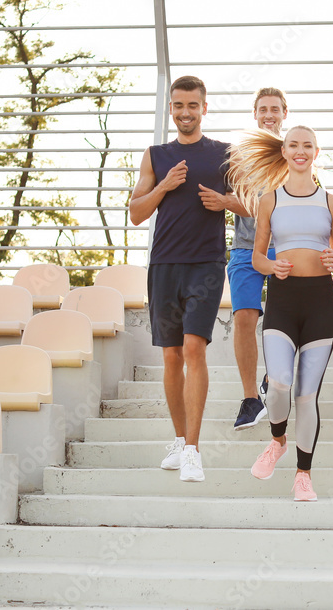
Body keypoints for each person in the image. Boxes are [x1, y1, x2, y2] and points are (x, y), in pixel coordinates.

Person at [128, 75, 249, 482]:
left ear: (204, 108)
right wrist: (163, 186)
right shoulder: (155, 155)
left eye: (192, 106)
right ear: (171, 109)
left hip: (206, 264)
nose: (185, 113)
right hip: (164, 264)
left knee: (194, 348)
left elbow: (254, 205)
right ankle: (179, 442)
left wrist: (226, 201)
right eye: (178, 106)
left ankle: (194, 450)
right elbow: (136, 212)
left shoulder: (224, 154)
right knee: (171, 355)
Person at [228, 125, 333, 501]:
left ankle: (303, 475)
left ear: (316, 151)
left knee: (307, 395)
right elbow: (258, 256)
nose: (300, 151)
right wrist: (269, 267)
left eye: (307, 145)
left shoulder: (332, 202)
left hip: (320, 303)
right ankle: (277, 441)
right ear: (284, 151)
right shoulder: (269, 200)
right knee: (279, 384)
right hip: (282, 299)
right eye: (293, 145)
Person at [229, 88, 288, 430]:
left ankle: (271, 378)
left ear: (284, 113)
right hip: (245, 248)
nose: (269, 114)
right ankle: (251, 398)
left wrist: (243, 202)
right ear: (255, 114)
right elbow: (232, 200)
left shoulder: (292, 150)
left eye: (275, 109)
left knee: (280, 323)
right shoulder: (239, 155)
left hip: (283, 249)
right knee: (245, 318)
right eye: (263, 109)